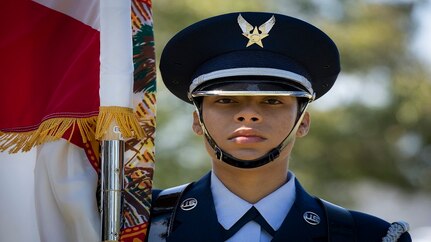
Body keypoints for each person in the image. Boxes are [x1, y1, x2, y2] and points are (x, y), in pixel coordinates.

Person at [147, 12, 411, 242]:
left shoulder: (367, 236)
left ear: (303, 122)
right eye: (226, 100)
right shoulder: (135, 223)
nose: (248, 114)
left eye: (272, 100)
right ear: (197, 121)